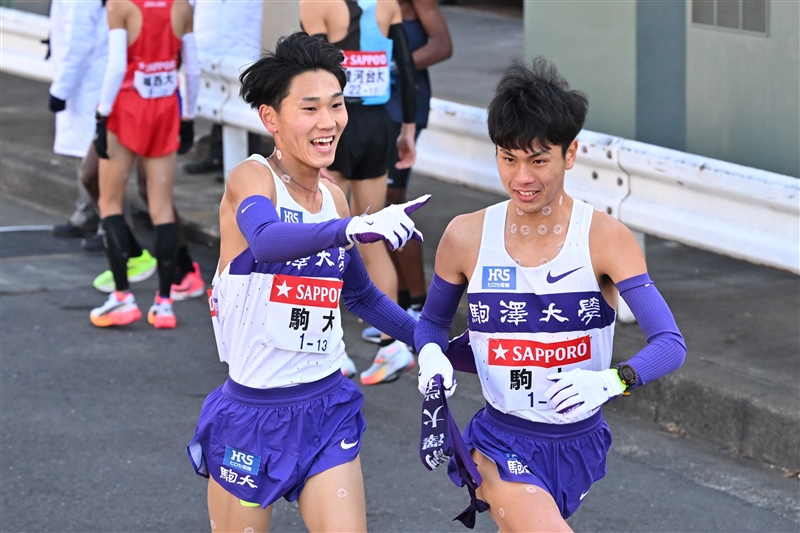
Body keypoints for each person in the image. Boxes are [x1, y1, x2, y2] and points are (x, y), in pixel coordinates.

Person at [414, 58, 687, 532]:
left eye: (538, 160)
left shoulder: (605, 238)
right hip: (502, 440)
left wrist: (612, 381)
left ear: (570, 153)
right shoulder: (465, 237)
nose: (523, 177)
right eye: (508, 158)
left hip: (581, 440)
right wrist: (430, 353)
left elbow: (670, 343)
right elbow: (433, 324)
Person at [187, 32, 428, 532]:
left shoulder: (334, 198)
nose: (328, 122)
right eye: (310, 108)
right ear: (270, 118)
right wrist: (353, 228)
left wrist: (431, 341)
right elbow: (268, 240)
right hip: (252, 416)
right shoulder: (251, 180)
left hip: (325, 408)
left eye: (336, 106)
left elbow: (358, 293)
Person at [300, 0, 421, 385]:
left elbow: (308, 75)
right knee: (371, 234)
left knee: (324, 238)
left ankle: (330, 350)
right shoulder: (387, 3)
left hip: (335, 125)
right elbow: (406, 64)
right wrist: (407, 130)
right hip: (380, 123)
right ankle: (392, 346)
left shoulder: (316, 3)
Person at [89, 0, 200, 328]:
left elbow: (116, 66)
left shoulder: (120, 5)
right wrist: (189, 116)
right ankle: (164, 304)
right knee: (161, 206)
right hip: (165, 109)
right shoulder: (181, 6)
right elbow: (192, 67)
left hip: (127, 107)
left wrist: (102, 114)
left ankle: (122, 297)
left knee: (109, 202)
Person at [362, 0, 452, 343]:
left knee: (392, 203)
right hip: (368, 101)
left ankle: (418, 306)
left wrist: (395, 65)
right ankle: (398, 304)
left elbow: (443, 45)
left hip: (402, 101)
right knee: (373, 205)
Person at [47, 0, 106, 244]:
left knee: (98, 161)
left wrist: (60, 90)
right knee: (86, 155)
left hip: (90, 81)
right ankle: (88, 215)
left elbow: (78, 44)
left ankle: (109, 228)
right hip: (88, 80)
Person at [183, 0, 264, 177]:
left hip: (240, 45)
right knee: (220, 104)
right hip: (209, 42)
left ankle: (250, 163)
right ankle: (217, 155)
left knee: (244, 107)